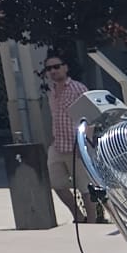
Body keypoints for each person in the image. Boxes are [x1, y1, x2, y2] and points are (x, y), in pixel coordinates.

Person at [43, 52, 91, 224]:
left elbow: (89, 118)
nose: (53, 71)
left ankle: (92, 222)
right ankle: (78, 216)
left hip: (76, 145)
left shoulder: (78, 89)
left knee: (85, 188)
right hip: (57, 145)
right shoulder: (51, 91)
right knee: (57, 184)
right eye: (49, 68)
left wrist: (83, 144)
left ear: (65, 68)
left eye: (56, 66)